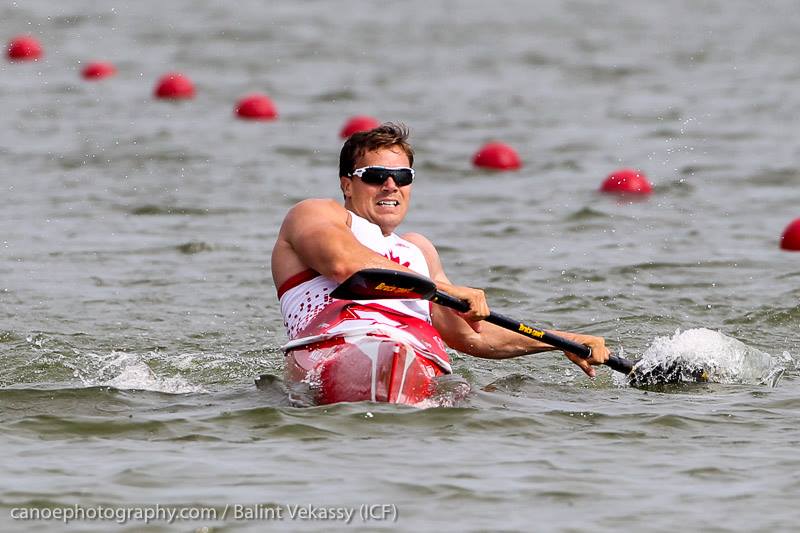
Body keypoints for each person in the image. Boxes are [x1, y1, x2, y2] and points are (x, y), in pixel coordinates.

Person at [271, 122, 609, 389]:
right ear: (347, 184)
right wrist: (442, 290)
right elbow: (343, 264)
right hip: (333, 345)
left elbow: (472, 337)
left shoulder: (418, 249)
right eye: (376, 177)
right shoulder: (315, 214)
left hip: (416, 356)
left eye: (402, 177)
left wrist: (563, 340)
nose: (391, 186)